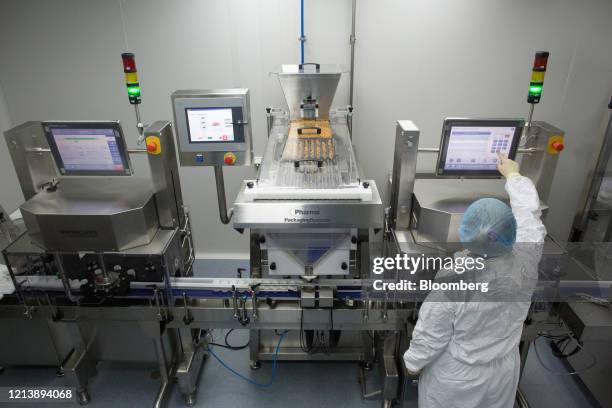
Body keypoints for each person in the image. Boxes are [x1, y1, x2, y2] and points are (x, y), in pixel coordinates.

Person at [403, 154, 547, 408]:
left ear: (467, 234)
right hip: (503, 372)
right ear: (509, 231)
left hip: (457, 379)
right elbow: (529, 216)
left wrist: (412, 364)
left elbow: (431, 333)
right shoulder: (527, 256)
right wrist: (514, 176)